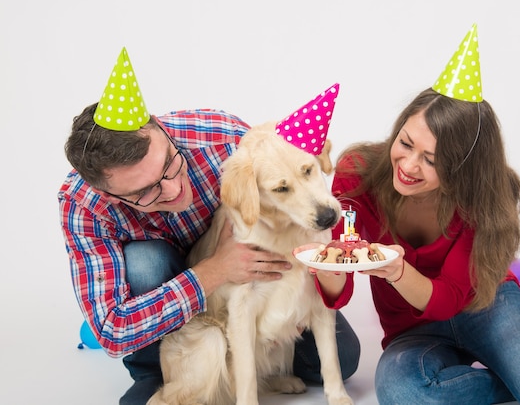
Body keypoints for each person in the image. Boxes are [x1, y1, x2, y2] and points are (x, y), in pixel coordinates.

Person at [311, 25, 520, 404]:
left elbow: (449, 298)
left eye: (431, 160)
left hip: (488, 309)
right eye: (406, 143)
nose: (408, 165)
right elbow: (339, 287)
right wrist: (328, 265)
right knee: (401, 393)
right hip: (415, 330)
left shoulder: (482, 199)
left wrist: (395, 270)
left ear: (462, 168)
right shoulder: (358, 173)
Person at [58, 48, 360, 405]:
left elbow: (293, 191)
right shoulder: (83, 207)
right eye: (145, 191)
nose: (173, 189)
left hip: (250, 291)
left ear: (158, 126)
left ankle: (249, 373)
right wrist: (213, 272)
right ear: (106, 192)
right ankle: (157, 373)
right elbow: (111, 330)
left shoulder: (222, 138)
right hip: (184, 299)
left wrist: (286, 300)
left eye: (169, 164)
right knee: (146, 262)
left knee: (347, 356)